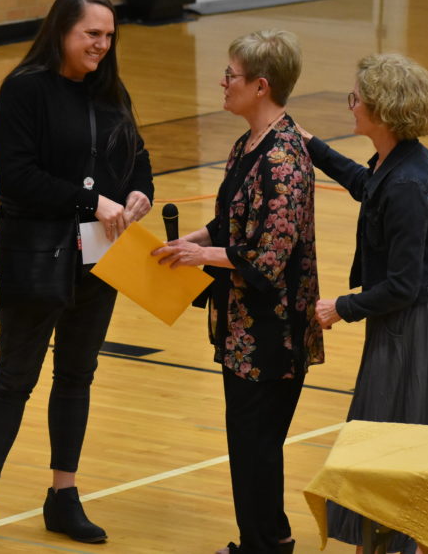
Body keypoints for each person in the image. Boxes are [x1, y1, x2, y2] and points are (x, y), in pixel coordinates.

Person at [0, 0, 154, 552]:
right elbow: (17, 178)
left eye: (109, 36)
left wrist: (139, 193)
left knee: (77, 376)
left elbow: (138, 158)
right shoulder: (24, 92)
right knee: (14, 376)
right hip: (36, 255)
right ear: (62, 30)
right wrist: (93, 202)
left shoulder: (111, 91)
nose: (102, 45)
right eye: (92, 34)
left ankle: (63, 496)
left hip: (99, 255)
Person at [153, 30, 323, 554]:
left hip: (273, 333)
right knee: (247, 445)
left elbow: (269, 260)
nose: (223, 82)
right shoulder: (248, 143)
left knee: (258, 445)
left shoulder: (284, 160)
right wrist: (196, 240)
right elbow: (231, 221)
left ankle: (267, 543)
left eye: (231, 75)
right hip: (242, 326)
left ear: (260, 85)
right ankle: (263, 541)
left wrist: (200, 257)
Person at [297, 53, 428, 554]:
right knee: (382, 430)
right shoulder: (399, 159)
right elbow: (368, 188)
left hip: (413, 320)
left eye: (357, 99)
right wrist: (313, 148)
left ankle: (390, 544)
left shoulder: (408, 183)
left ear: (383, 111)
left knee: (392, 435)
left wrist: (340, 307)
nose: (353, 105)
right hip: (403, 315)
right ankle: (379, 543)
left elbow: (404, 285)